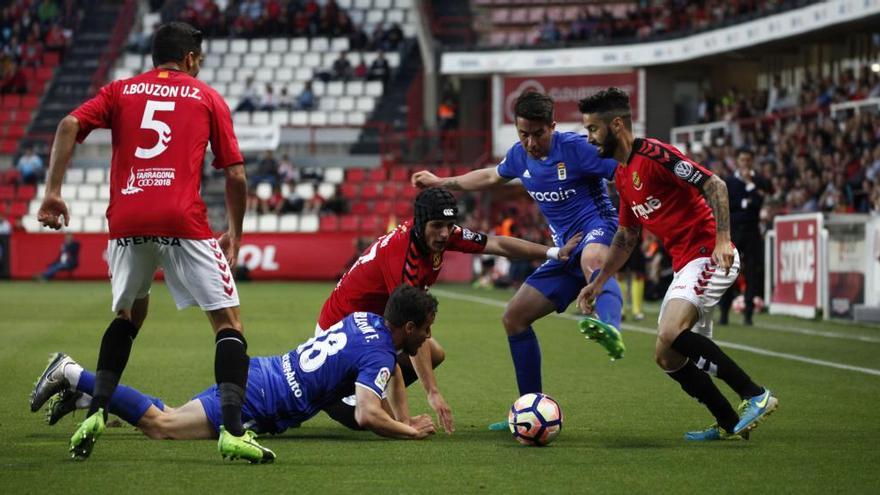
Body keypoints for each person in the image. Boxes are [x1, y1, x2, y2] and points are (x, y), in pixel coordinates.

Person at [34, 22, 273, 463]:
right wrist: (235, 234)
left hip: (126, 218)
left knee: (130, 315)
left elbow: (68, 124)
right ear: (190, 59)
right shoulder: (206, 97)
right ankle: (234, 431)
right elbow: (236, 174)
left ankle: (99, 409)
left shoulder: (121, 90)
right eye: (198, 59)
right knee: (228, 324)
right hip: (181, 217)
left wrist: (52, 191)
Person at [411, 92, 625, 430]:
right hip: (565, 251)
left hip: (599, 230)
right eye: (523, 134)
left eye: (537, 133)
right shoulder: (520, 157)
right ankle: (530, 410)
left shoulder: (575, 149)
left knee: (593, 256)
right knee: (514, 318)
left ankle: (611, 326)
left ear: (552, 127)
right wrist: (442, 182)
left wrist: (642, 211)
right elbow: (488, 177)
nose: (530, 142)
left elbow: (624, 165)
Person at [31, 286, 439, 461]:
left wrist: (401, 416)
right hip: (261, 397)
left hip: (263, 373)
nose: (428, 336)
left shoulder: (367, 318)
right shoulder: (383, 354)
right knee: (163, 425)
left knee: (168, 416)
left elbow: (384, 378)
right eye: (425, 328)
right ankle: (73, 373)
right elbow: (367, 413)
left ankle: (87, 395)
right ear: (406, 328)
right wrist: (410, 430)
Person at [577, 87, 778, 441]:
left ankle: (755, 394)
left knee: (670, 333)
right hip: (686, 262)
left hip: (709, 253)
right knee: (666, 355)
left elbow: (713, 183)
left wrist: (721, 239)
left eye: (593, 129)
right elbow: (625, 237)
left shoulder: (654, 155)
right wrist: (598, 281)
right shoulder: (623, 176)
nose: (589, 137)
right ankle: (730, 424)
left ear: (617, 125)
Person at [316, 187, 583, 433]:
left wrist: (553, 252)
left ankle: (365, 392)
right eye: (437, 226)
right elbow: (409, 329)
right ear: (421, 224)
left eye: (448, 225)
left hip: (369, 326)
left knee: (434, 352)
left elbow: (497, 244)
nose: (445, 233)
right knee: (368, 419)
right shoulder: (403, 258)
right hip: (341, 333)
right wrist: (430, 393)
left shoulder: (441, 234)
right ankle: (328, 391)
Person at [718, 148, 768, 326]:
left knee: (752, 272)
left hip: (752, 231)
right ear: (737, 161)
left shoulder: (758, 180)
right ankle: (724, 313)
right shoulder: (729, 181)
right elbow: (727, 204)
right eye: (742, 160)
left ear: (751, 161)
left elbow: (761, 201)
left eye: (748, 160)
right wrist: (746, 202)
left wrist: (750, 185)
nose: (745, 163)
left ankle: (748, 315)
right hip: (735, 231)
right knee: (728, 270)